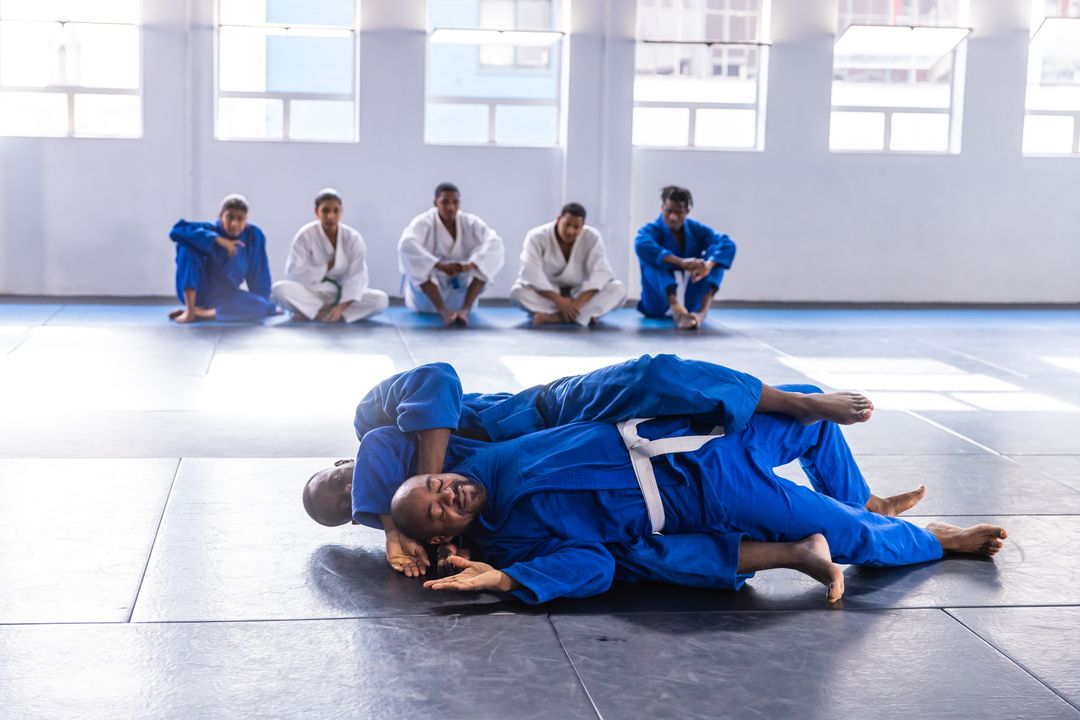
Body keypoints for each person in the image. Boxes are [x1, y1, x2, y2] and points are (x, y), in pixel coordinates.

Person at [302, 355, 877, 577]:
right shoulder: (419, 517)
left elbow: (436, 377)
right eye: (348, 503)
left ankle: (793, 403)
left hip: (550, 412)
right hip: (579, 487)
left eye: (342, 479)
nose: (353, 487)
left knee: (652, 375)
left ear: (344, 460)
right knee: (637, 553)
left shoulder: (381, 436)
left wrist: (413, 490)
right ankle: (811, 537)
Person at [390, 401, 1007, 606]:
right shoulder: (513, 542)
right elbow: (597, 567)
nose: (448, 494)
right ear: (445, 537)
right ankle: (935, 538)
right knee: (853, 540)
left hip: (696, 432)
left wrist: (388, 509)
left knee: (814, 413)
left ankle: (863, 500)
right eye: (438, 510)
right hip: (705, 491)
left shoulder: (481, 452)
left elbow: (415, 402)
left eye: (436, 483)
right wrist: (507, 579)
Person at [271, 189, 389, 323]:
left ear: (341, 212)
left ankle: (315, 313)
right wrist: (324, 268)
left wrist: (342, 307)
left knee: (380, 300)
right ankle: (321, 313)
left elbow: (357, 276)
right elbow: (294, 274)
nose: (330, 216)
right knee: (279, 290)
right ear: (316, 212)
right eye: (325, 211)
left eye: (335, 211)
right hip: (312, 292)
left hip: (343, 295)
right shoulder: (305, 235)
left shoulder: (353, 238)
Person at [398, 182, 504, 326]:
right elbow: (406, 244)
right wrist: (437, 265)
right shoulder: (423, 222)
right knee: (421, 266)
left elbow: (495, 242)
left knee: (483, 263)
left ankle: (465, 310)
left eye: (455, 202)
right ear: (435, 203)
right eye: (445, 202)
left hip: (461, 286)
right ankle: (443, 311)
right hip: (429, 295)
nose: (451, 207)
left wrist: (471, 264)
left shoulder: (469, 222)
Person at [635, 185, 736, 330]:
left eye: (678, 212)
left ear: (687, 211)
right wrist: (681, 262)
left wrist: (708, 266)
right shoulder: (651, 230)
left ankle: (701, 314)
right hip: (658, 303)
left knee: (717, 256)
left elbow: (726, 243)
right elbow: (641, 245)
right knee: (650, 257)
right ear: (662, 208)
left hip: (691, 301)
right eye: (668, 211)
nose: (673, 217)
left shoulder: (695, 229)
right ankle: (676, 308)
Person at [510, 203, 627, 327]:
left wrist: (578, 303)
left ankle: (556, 317)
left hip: (580, 294)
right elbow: (530, 271)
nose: (570, 231)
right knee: (518, 293)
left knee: (618, 289)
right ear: (558, 220)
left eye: (576, 227)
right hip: (549, 295)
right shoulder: (536, 236)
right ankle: (584, 316)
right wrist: (559, 301)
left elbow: (601, 273)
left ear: (582, 226)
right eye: (566, 225)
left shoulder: (592, 237)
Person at [168, 194, 276, 323]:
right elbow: (177, 230)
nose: (234, 223)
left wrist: (263, 304)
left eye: (240, 219)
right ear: (220, 217)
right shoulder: (210, 228)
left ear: (246, 220)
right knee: (186, 245)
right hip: (198, 291)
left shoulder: (253, 235)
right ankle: (190, 309)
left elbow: (260, 273)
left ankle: (201, 312)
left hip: (224, 295)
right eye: (229, 217)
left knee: (262, 305)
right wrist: (217, 240)